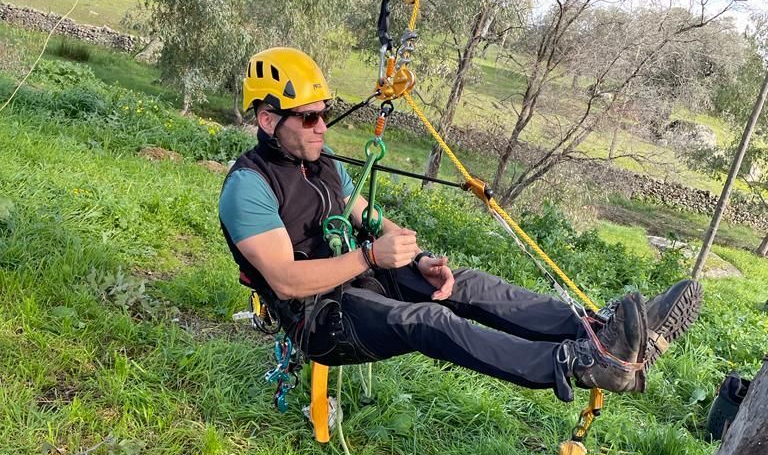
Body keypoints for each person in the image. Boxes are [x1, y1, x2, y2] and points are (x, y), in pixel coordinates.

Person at [219, 47, 701, 403]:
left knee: (460, 284)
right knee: (427, 320)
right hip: (320, 319)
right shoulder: (249, 187)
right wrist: (368, 256)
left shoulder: (324, 165)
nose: (322, 125)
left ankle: (601, 332)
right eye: (307, 118)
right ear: (267, 119)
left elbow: (367, 216)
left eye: (324, 113)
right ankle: (576, 363)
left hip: (360, 278)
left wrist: (419, 259)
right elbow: (283, 281)